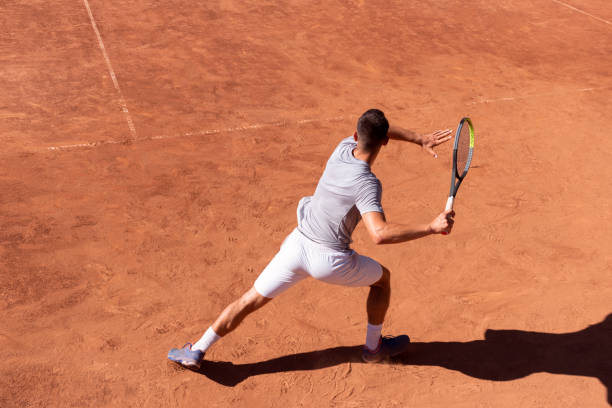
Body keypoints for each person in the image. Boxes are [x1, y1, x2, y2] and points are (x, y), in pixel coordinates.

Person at [168, 109, 455, 368]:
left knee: (250, 298)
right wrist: (430, 227)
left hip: (295, 246)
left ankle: (196, 349)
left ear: (356, 136)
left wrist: (419, 138)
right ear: (385, 143)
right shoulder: (368, 184)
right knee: (382, 281)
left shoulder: (342, 149)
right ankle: (372, 349)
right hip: (330, 261)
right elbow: (379, 233)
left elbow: (377, 129)